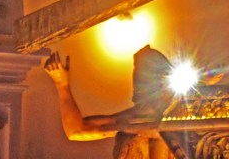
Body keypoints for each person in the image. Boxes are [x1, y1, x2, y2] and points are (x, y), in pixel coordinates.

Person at [43, 46, 176, 158]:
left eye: (144, 78)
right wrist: (62, 84)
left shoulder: (178, 118)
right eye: (138, 78)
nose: (138, 84)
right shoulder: (128, 119)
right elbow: (76, 131)